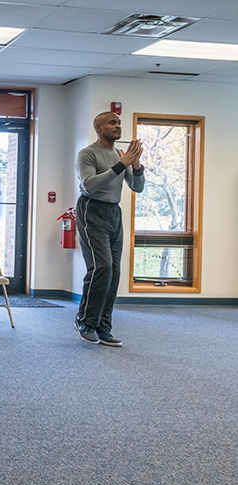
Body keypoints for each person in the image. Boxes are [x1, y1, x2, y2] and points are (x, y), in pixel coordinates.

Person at [74, 111, 145, 347]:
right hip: (91, 210)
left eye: (119, 123)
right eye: (112, 122)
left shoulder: (119, 154)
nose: (117, 126)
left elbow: (137, 187)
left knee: (113, 271)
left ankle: (103, 327)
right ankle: (85, 321)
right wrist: (121, 164)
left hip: (114, 214)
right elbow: (89, 185)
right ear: (98, 127)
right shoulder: (87, 154)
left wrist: (136, 166)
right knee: (101, 266)